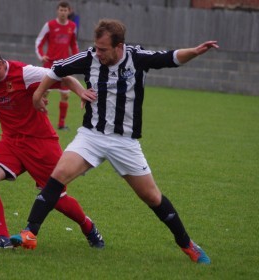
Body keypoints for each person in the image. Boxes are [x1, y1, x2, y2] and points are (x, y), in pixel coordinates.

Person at [11, 19, 218, 264]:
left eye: (103, 49)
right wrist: (37, 95)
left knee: (152, 197)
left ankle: (187, 245)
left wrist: (194, 52)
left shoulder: (136, 57)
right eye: (96, 48)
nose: (97, 53)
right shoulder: (90, 58)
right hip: (91, 136)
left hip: (125, 142)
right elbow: (57, 69)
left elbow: (169, 58)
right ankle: (29, 233)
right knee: (57, 176)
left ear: (119, 46)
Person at [0, 43, 104, 249]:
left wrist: (81, 92)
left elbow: (63, 76)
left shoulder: (25, 73)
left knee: (57, 198)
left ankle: (88, 226)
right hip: (11, 141)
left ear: (1, 64)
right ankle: (2, 238)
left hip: (40, 143)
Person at [35, 1, 79, 130]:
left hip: (65, 65)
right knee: (44, 94)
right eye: (61, 10)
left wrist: (76, 60)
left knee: (65, 95)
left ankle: (61, 124)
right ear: (57, 11)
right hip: (50, 65)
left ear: (69, 11)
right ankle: (42, 124)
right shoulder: (49, 25)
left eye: (65, 10)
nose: (63, 12)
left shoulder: (72, 26)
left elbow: (74, 45)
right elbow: (39, 41)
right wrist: (41, 55)